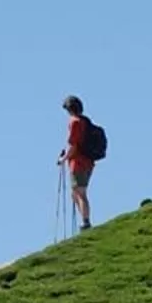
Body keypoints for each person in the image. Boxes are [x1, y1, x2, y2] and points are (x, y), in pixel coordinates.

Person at [60, 95, 100, 231]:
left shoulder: (75, 122)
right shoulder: (85, 121)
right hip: (88, 161)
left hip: (78, 162)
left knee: (80, 192)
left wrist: (63, 159)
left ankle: (86, 222)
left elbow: (73, 145)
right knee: (76, 192)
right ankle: (85, 219)